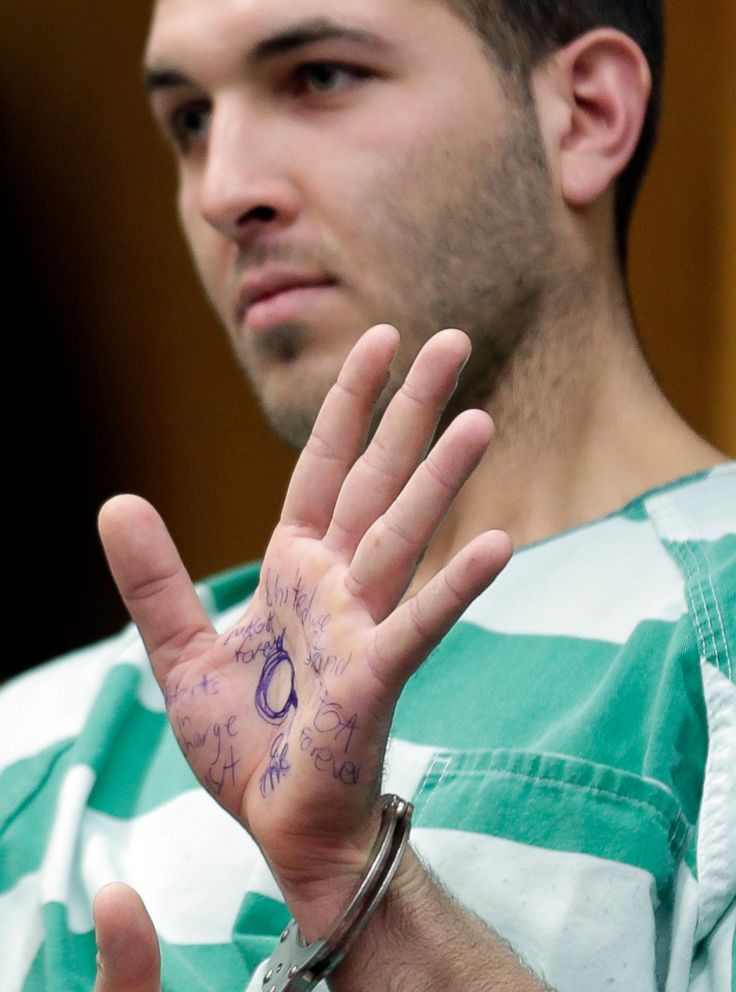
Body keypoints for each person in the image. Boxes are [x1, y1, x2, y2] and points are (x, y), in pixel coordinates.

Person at [1, 0, 733, 990]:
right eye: (189, 120)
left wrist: (358, 886)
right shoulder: (31, 749)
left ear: (585, 114)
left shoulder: (710, 644)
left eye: (320, 76)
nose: (223, 189)